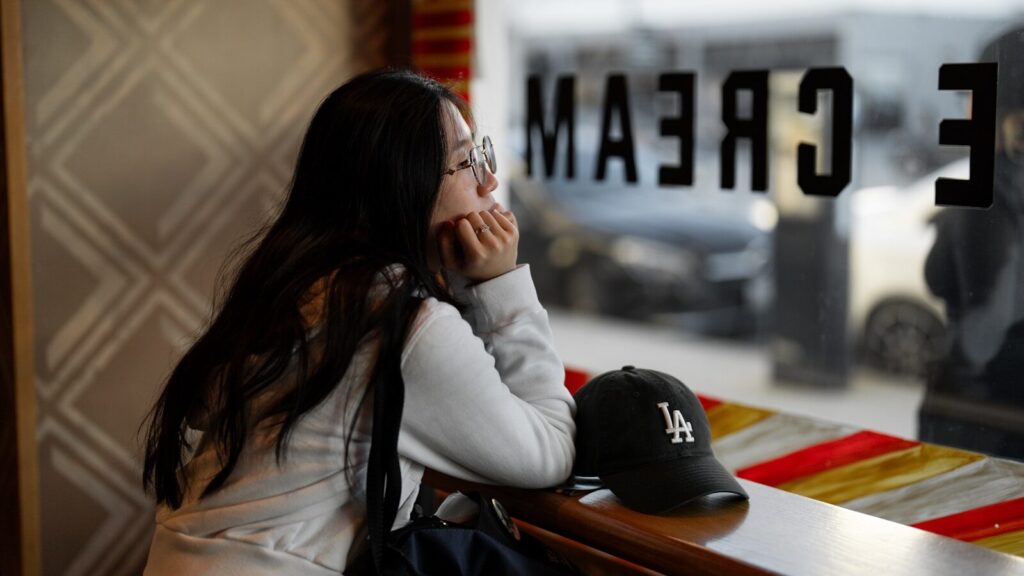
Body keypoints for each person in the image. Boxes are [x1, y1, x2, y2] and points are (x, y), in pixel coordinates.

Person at [140, 68, 577, 574]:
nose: (490, 180)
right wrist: (499, 286)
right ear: (401, 183)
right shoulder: (401, 324)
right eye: (466, 160)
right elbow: (549, 453)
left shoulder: (298, 285)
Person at [921, 26, 1024, 460]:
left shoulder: (989, 188)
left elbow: (950, 286)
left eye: (972, 92)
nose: (964, 105)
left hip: (981, 425)